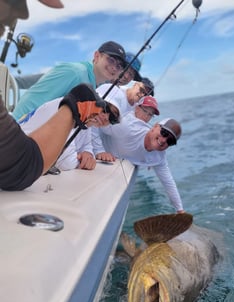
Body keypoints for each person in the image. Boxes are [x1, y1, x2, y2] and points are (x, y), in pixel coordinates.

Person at [93, 84, 185, 214]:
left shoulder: (159, 157)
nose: (164, 140)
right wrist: (98, 150)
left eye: (170, 141)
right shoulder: (126, 127)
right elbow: (94, 122)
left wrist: (180, 210)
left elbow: (168, 182)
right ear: (155, 126)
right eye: (164, 133)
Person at [13, 40, 127, 120]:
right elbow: (33, 102)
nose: (114, 67)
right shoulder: (76, 72)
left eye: (119, 66)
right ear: (97, 56)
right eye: (111, 60)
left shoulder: (92, 83)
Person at [18, 85, 123, 171]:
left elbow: (86, 145)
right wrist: (82, 160)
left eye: (112, 118)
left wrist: (88, 154)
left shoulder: (88, 118)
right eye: (106, 109)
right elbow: (65, 162)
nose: (106, 117)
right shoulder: (67, 109)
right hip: (19, 157)